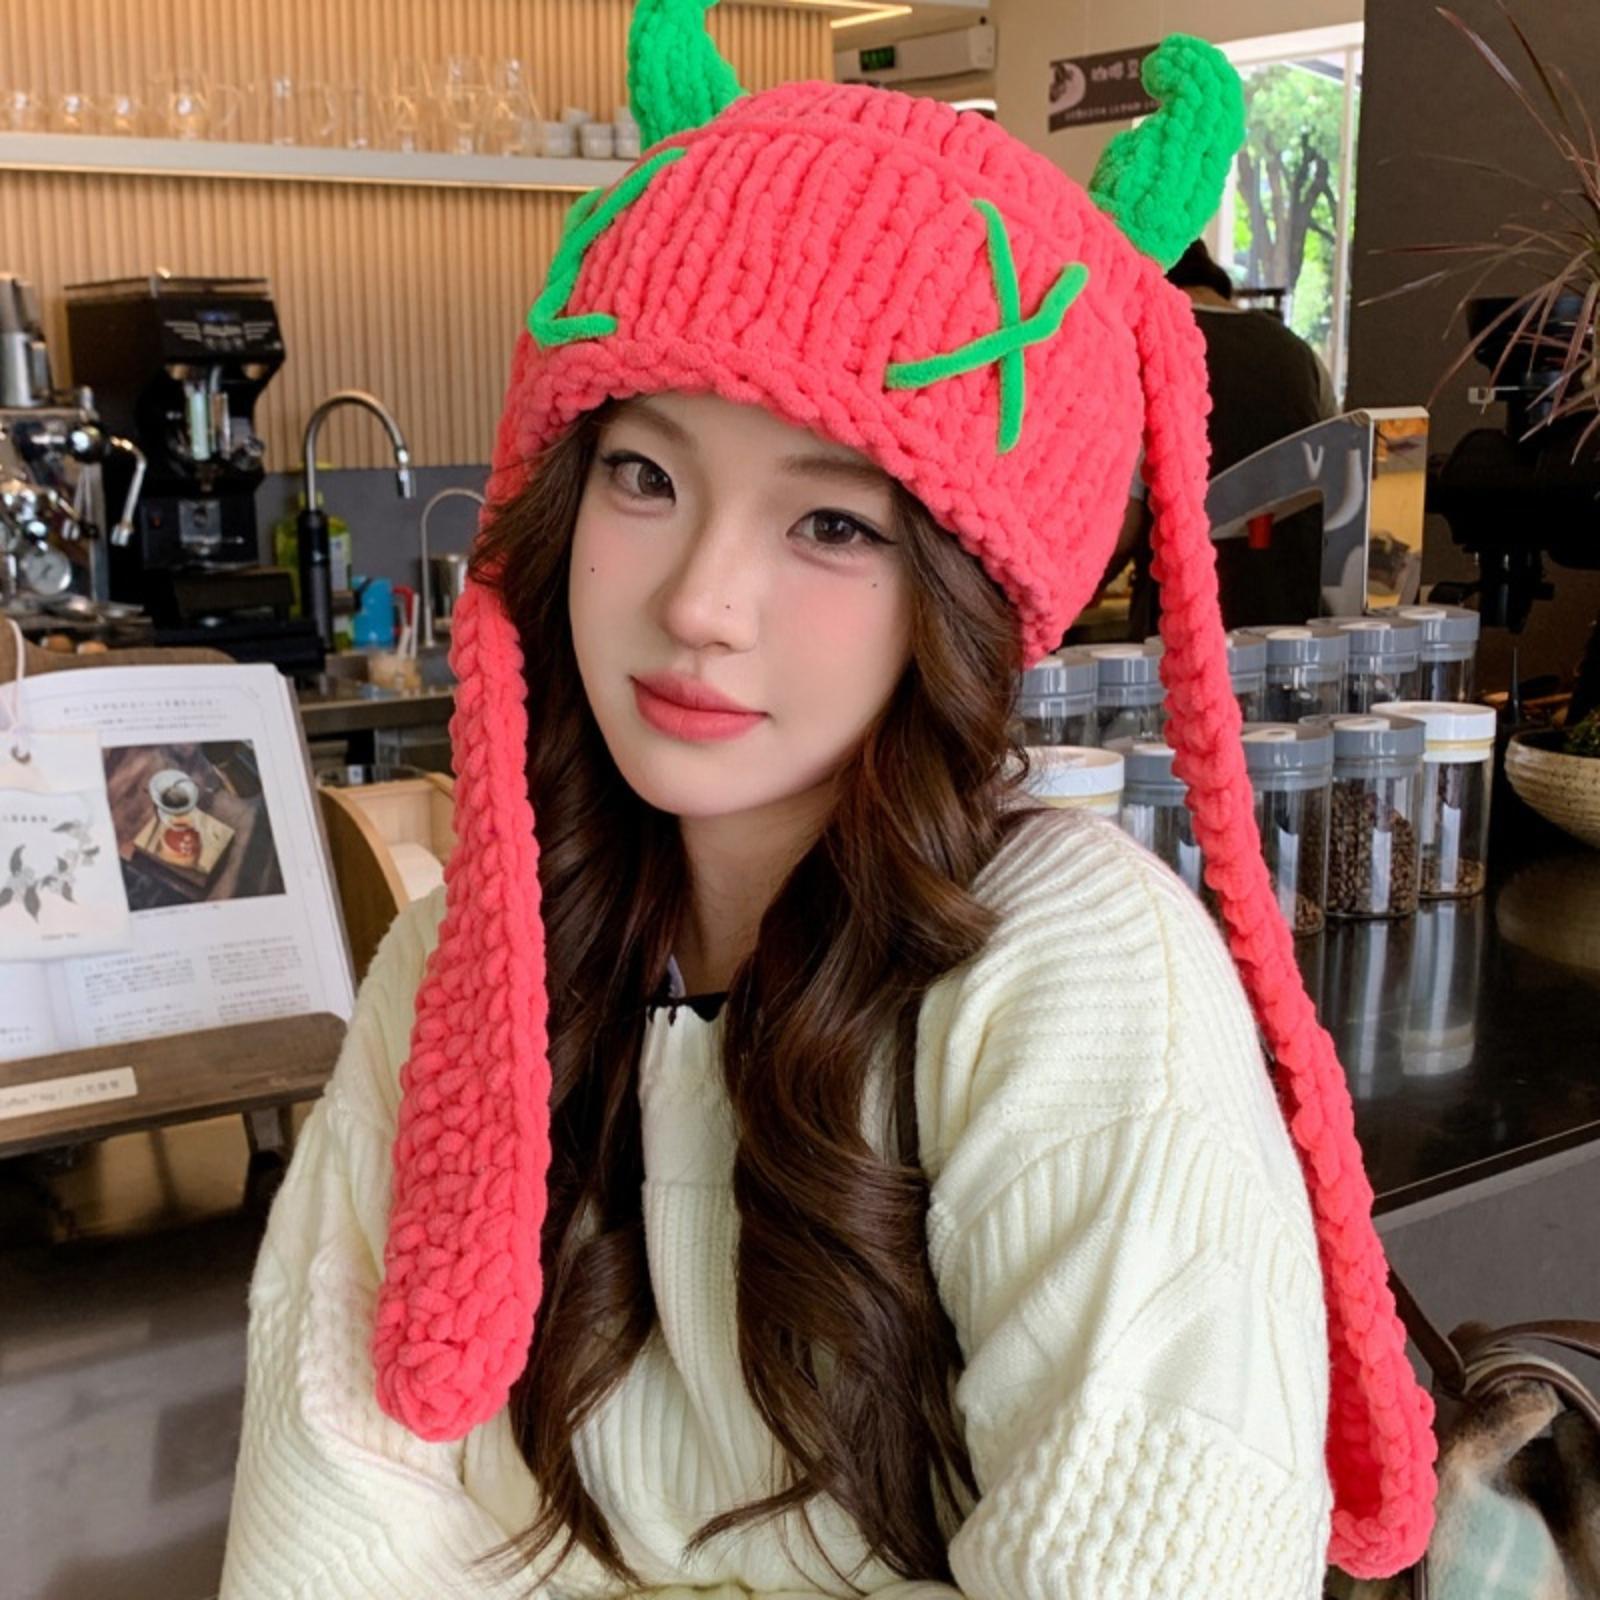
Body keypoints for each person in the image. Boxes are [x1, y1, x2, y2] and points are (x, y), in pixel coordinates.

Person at [219, 7, 1436, 1598]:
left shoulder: (1073, 975)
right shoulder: (459, 972)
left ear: (969, 596)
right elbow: (329, 1528)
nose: (701, 603)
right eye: (645, 477)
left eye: (835, 527)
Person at [1111, 237, 1340, 637]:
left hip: (1181, 638)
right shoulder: (1300, 355)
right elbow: (1337, 493)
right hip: (1296, 631)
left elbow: (1122, 525)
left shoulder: (1149, 347)